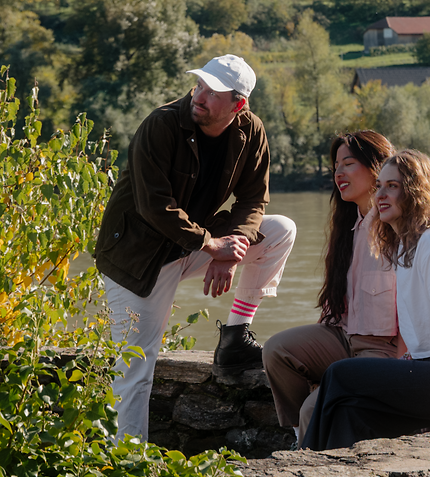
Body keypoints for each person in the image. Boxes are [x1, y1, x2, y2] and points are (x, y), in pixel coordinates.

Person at [92, 53, 296, 440]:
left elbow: (254, 200)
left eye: (212, 91)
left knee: (281, 230)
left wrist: (231, 246)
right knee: (135, 369)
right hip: (137, 258)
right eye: (199, 84)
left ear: (238, 104)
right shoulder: (162, 124)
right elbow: (155, 205)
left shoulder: (250, 131)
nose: (198, 96)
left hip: (194, 242)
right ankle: (124, 468)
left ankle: (236, 337)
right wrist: (210, 245)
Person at [301, 148, 430, 449]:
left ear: (416, 192)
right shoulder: (405, 246)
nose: (380, 195)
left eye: (393, 186)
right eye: (379, 187)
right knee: (349, 411)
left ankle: (306, 462)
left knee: (340, 374)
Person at [261, 130, 401, 442]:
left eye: (348, 164)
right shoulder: (348, 225)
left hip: (384, 351)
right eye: (335, 167)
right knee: (276, 350)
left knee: (316, 406)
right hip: (344, 337)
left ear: (377, 166)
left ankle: (310, 456)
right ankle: (303, 436)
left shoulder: (397, 227)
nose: (338, 173)